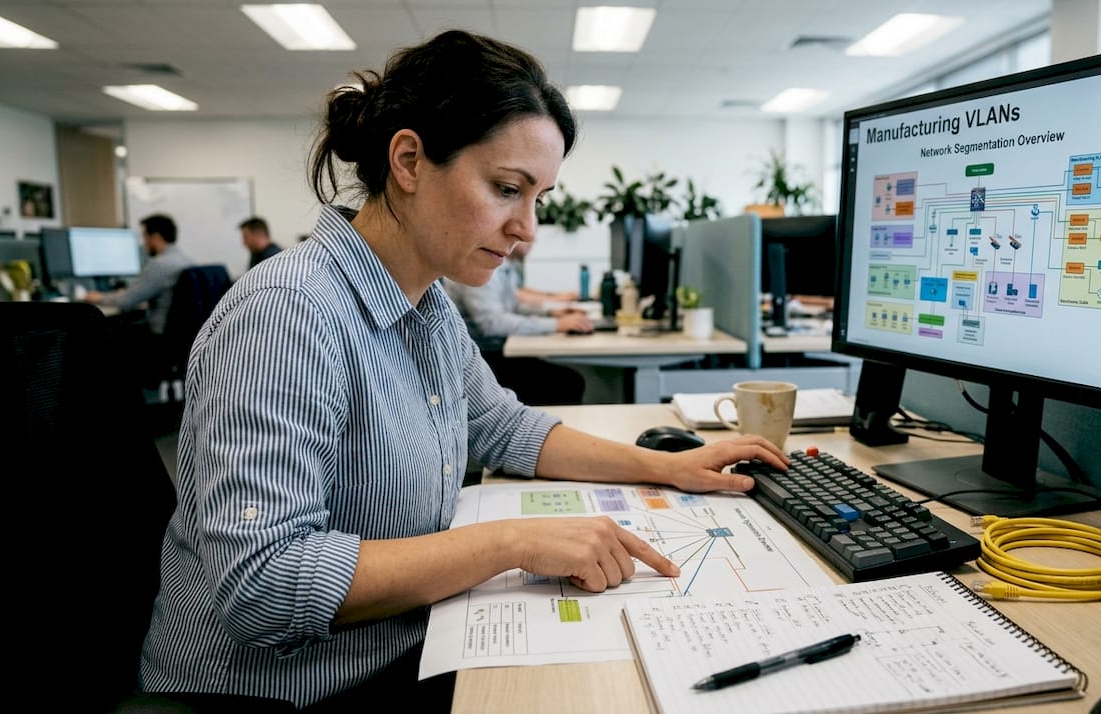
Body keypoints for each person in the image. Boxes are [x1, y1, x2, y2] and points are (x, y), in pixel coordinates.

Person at [138, 29, 785, 711]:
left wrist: (668, 466)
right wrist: (511, 542)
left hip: (403, 642)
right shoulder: (288, 316)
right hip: (285, 693)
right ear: (410, 160)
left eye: (538, 197)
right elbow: (263, 585)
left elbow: (502, 427)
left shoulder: (428, 301)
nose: (527, 228)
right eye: (508, 188)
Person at [444, 239, 592, 404]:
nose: (530, 237)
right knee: (569, 382)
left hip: (495, 352)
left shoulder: (507, 265)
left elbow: (513, 305)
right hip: (482, 359)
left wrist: (551, 312)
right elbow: (492, 323)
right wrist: (557, 325)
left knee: (568, 379)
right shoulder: (478, 266)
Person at [84, 214, 193, 335]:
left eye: (145, 237)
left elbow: (128, 300)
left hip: (159, 334)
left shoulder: (159, 264)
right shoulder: (186, 260)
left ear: (155, 237)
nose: (144, 243)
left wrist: (99, 297)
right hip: (181, 335)